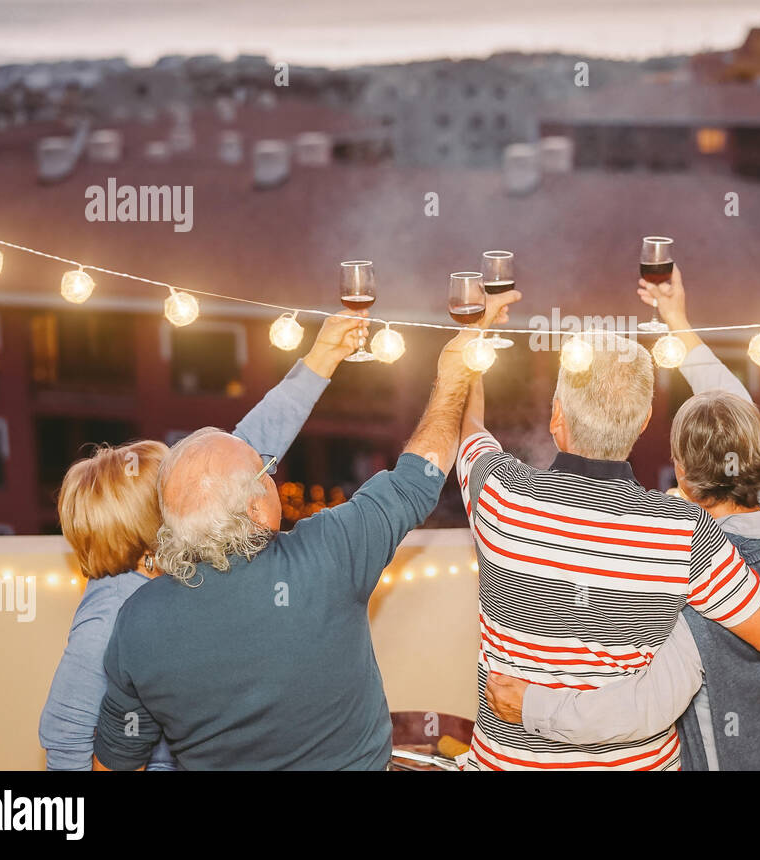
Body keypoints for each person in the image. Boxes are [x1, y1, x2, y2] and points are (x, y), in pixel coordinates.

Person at [91, 292, 519, 770]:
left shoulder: (137, 623)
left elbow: (116, 762)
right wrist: (454, 375)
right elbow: (418, 478)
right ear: (257, 510)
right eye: (265, 471)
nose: (272, 475)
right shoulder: (329, 556)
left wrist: (322, 358)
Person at [484, 265, 760, 770]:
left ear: (683, 474)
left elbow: (644, 706)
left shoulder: (706, 571)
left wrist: (533, 706)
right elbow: (737, 411)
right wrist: (678, 323)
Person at [38, 312, 358, 770]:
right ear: (155, 519)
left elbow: (248, 446)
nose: (193, 480)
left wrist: (324, 355)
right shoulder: (108, 618)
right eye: (175, 480)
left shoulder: (181, 557)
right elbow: (66, 750)